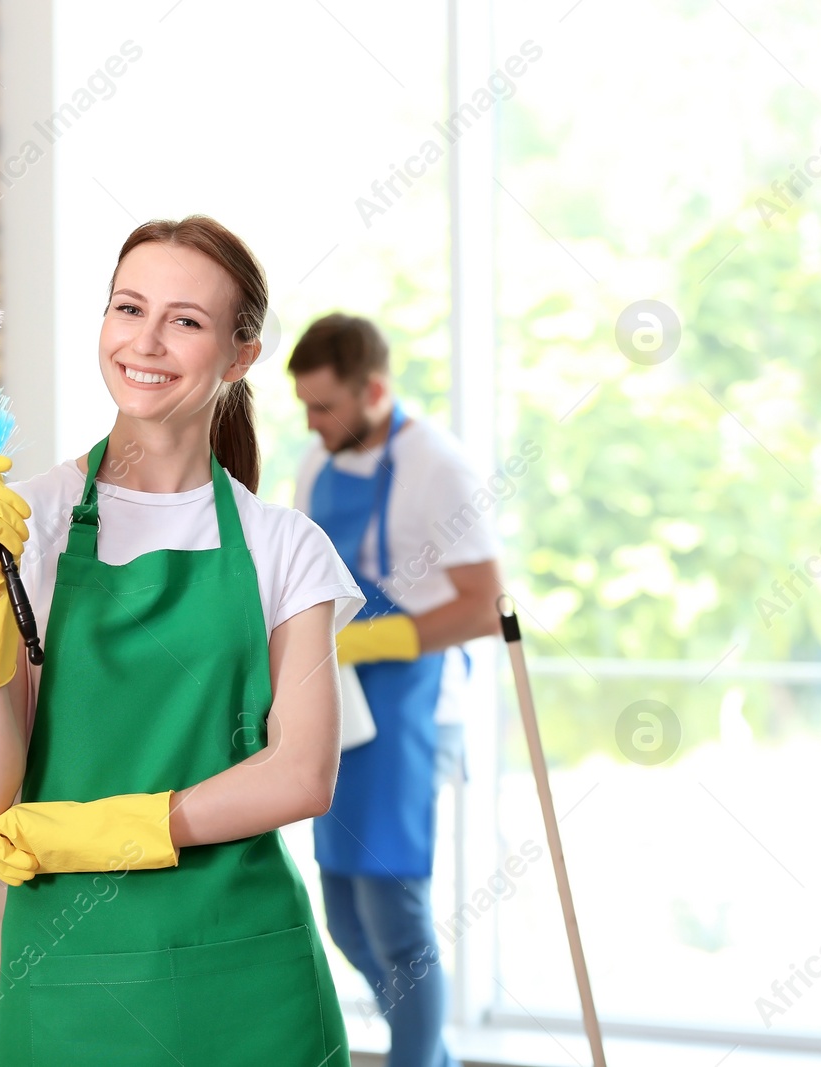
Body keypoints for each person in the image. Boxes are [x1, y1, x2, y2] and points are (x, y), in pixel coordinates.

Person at [0, 216, 363, 1066]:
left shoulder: (284, 545)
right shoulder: (24, 525)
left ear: (240, 355)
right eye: (129, 308)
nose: (146, 341)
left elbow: (304, 773)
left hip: (250, 974)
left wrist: (112, 833)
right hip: (71, 974)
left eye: (186, 320)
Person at [289, 313, 504, 1067]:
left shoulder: (438, 465)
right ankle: (431, 1052)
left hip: (416, 703)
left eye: (325, 407)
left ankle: (418, 1058)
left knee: (395, 916)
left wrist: (376, 637)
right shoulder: (319, 463)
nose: (313, 425)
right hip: (339, 708)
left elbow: (484, 604)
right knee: (343, 915)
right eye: (306, 408)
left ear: (374, 389)